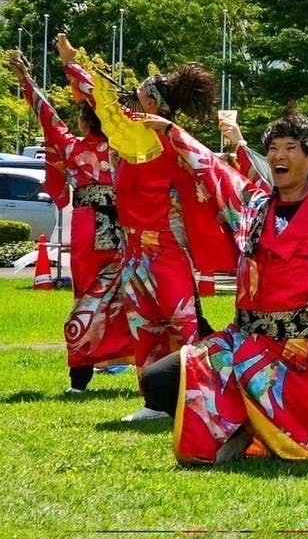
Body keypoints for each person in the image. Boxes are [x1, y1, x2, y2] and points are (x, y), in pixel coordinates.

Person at [137, 114, 308, 465]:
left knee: (292, 440)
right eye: (273, 148)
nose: (279, 155)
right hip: (241, 338)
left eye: (290, 148)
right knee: (157, 380)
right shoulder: (254, 206)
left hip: (293, 354)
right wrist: (173, 133)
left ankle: (256, 426)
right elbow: (215, 172)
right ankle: (240, 427)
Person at [61, 34, 236, 420]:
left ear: (153, 105)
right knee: (144, 325)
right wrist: (75, 67)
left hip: (164, 248)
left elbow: (105, 106)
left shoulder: (159, 141)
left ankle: (202, 396)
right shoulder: (136, 138)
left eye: (138, 96)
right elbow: (105, 106)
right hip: (134, 249)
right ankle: (155, 402)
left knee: (183, 324)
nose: (130, 101)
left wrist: (76, 65)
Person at [7, 50, 130, 394]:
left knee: (86, 298)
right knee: (128, 295)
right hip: (123, 224)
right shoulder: (123, 148)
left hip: (89, 224)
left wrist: (27, 80)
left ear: (85, 122)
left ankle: (81, 376)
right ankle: (139, 361)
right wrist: (72, 67)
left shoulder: (74, 148)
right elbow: (103, 102)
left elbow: (46, 114)